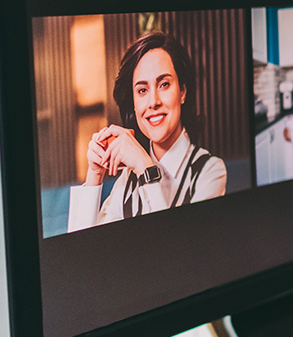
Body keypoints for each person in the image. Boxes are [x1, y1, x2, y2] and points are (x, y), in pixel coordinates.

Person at [67, 32, 226, 231]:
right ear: (133, 103)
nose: (153, 102)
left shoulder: (209, 171)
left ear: (183, 92)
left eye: (164, 84)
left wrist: (145, 168)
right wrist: (94, 175)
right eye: (142, 90)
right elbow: (84, 252)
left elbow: (177, 253)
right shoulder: (127, 181)